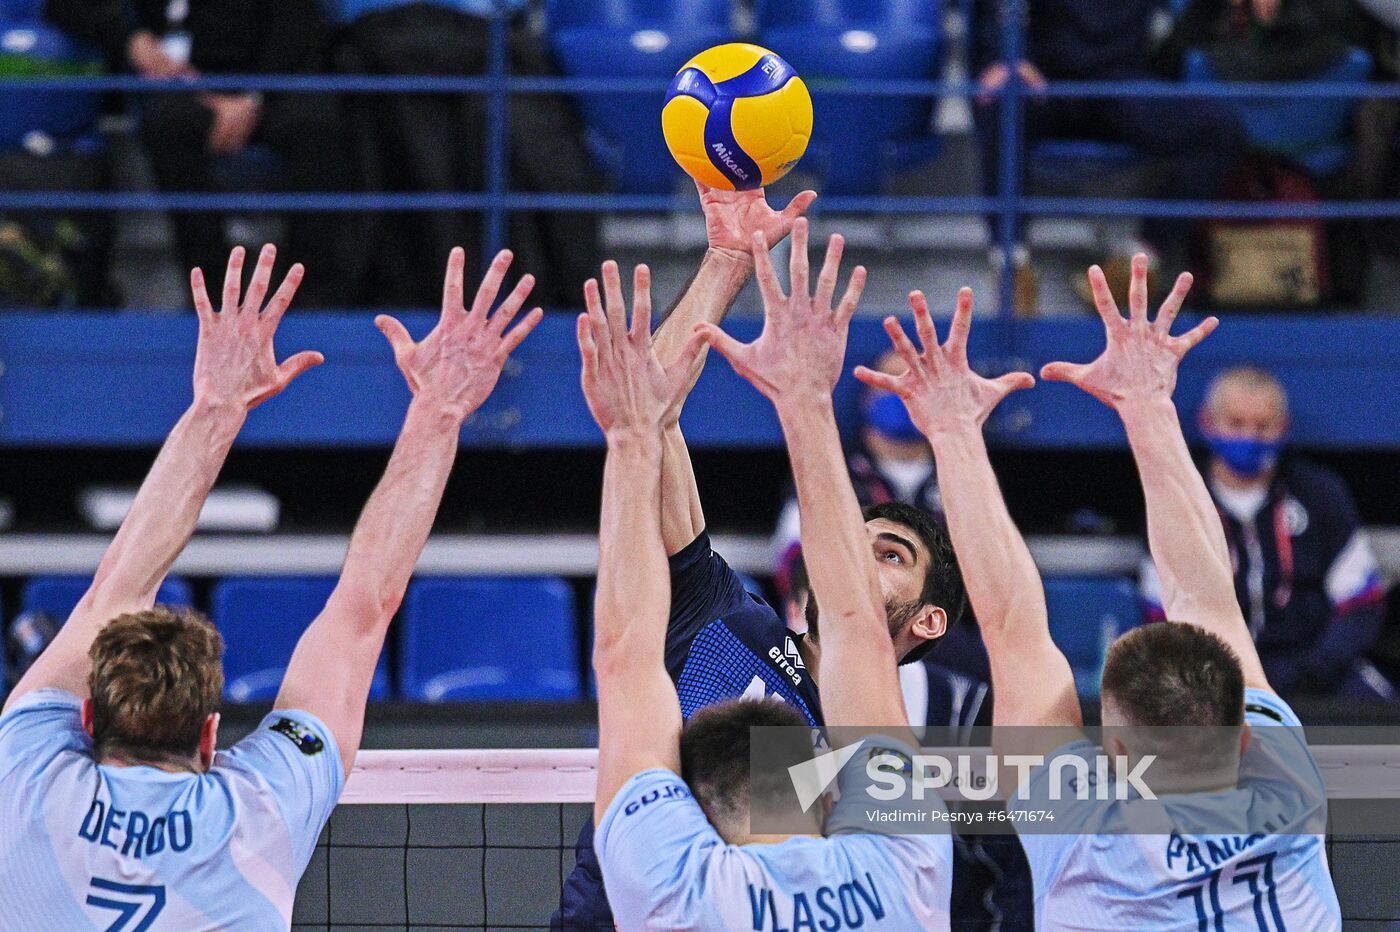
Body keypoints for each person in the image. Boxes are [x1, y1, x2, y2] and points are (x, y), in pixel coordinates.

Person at [0, 243, 541, 928]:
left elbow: (115, 589)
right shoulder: (259, 812)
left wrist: (214, 408)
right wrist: (438, 410)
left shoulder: (23, 774)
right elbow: (364, 609)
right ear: (209, 736)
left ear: (85, 720)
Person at [859, 254, 1340, 927]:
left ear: (1113, 755)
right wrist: (1149, 409)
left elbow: (1010, 625)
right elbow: (1207, 598)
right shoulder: (1282, 788)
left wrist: (952, 433)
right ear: (1239, 738)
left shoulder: (1078, 825)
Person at [552, 187, 967, 929]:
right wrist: (727, 262)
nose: (852, 556)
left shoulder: (892, 749)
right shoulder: (723, 615)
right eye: (851, 537)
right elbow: (646, 413)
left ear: (930, 619)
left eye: (892, 553)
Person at [44, 0, 352, 306]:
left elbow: (302, 22)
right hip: (181, 87)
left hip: (275, 83)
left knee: (319, 123)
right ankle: (210, 296)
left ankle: (302, 294)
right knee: (166, 122)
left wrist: (254, 98)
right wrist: (131, 38)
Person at [973, 0, 1247, 308]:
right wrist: (1008, 58)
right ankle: (1012, 266)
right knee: (1001, 103)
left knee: (1219, 127)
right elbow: (997, 11)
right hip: (1043, 84)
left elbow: (1195, 19)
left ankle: (1140, 260)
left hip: (1121, 87)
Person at [1140, 365, 1389, 700]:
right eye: (1236, 424)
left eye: (1263, 427)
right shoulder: (1176, 500)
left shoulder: (1320, 494)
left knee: (1379, 712)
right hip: (1209, 680)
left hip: (1313, 674)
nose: (1250, 437)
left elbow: (1361, 603)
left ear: (1283, 428)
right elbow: (1161, 614)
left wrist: (1312, 673)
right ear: (1206, 423)